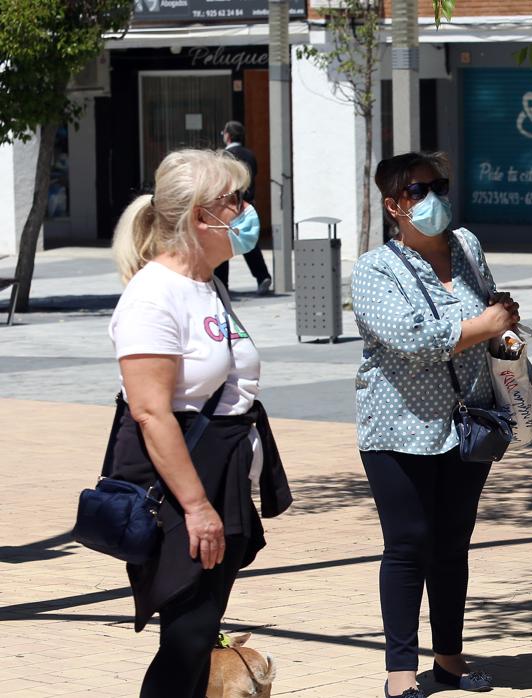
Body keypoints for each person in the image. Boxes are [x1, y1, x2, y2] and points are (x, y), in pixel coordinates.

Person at [108, 149, 292, 698]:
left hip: (222, 477)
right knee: (187, 640)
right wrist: (196, 507)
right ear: (198, 217)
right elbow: (149, 411)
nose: (245, 209)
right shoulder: (152, 295)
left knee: (197, 634)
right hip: (180, 487)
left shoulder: (205, 283)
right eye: (234, 200)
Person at [352, 151, 520, 698]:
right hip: (398, 427)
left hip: (467, 422)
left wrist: (504, 327)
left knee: (452, 544)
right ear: (394, 204)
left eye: (439, 186)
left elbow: (489, 312)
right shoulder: (375, 269)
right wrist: (484, 323)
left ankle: (449, 661)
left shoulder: (467, 246)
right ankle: (401, 672)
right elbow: (413, 342)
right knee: (408, 545)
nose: (435, 198)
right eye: (421, 190)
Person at [215, 120, 273, 295]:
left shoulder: (224, 156)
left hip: (229, 205)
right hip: (247, 204)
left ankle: (222, 284)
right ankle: (262, 275)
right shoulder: (250, 155)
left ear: (228, 135)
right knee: (249, 242)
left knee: (223, 243)